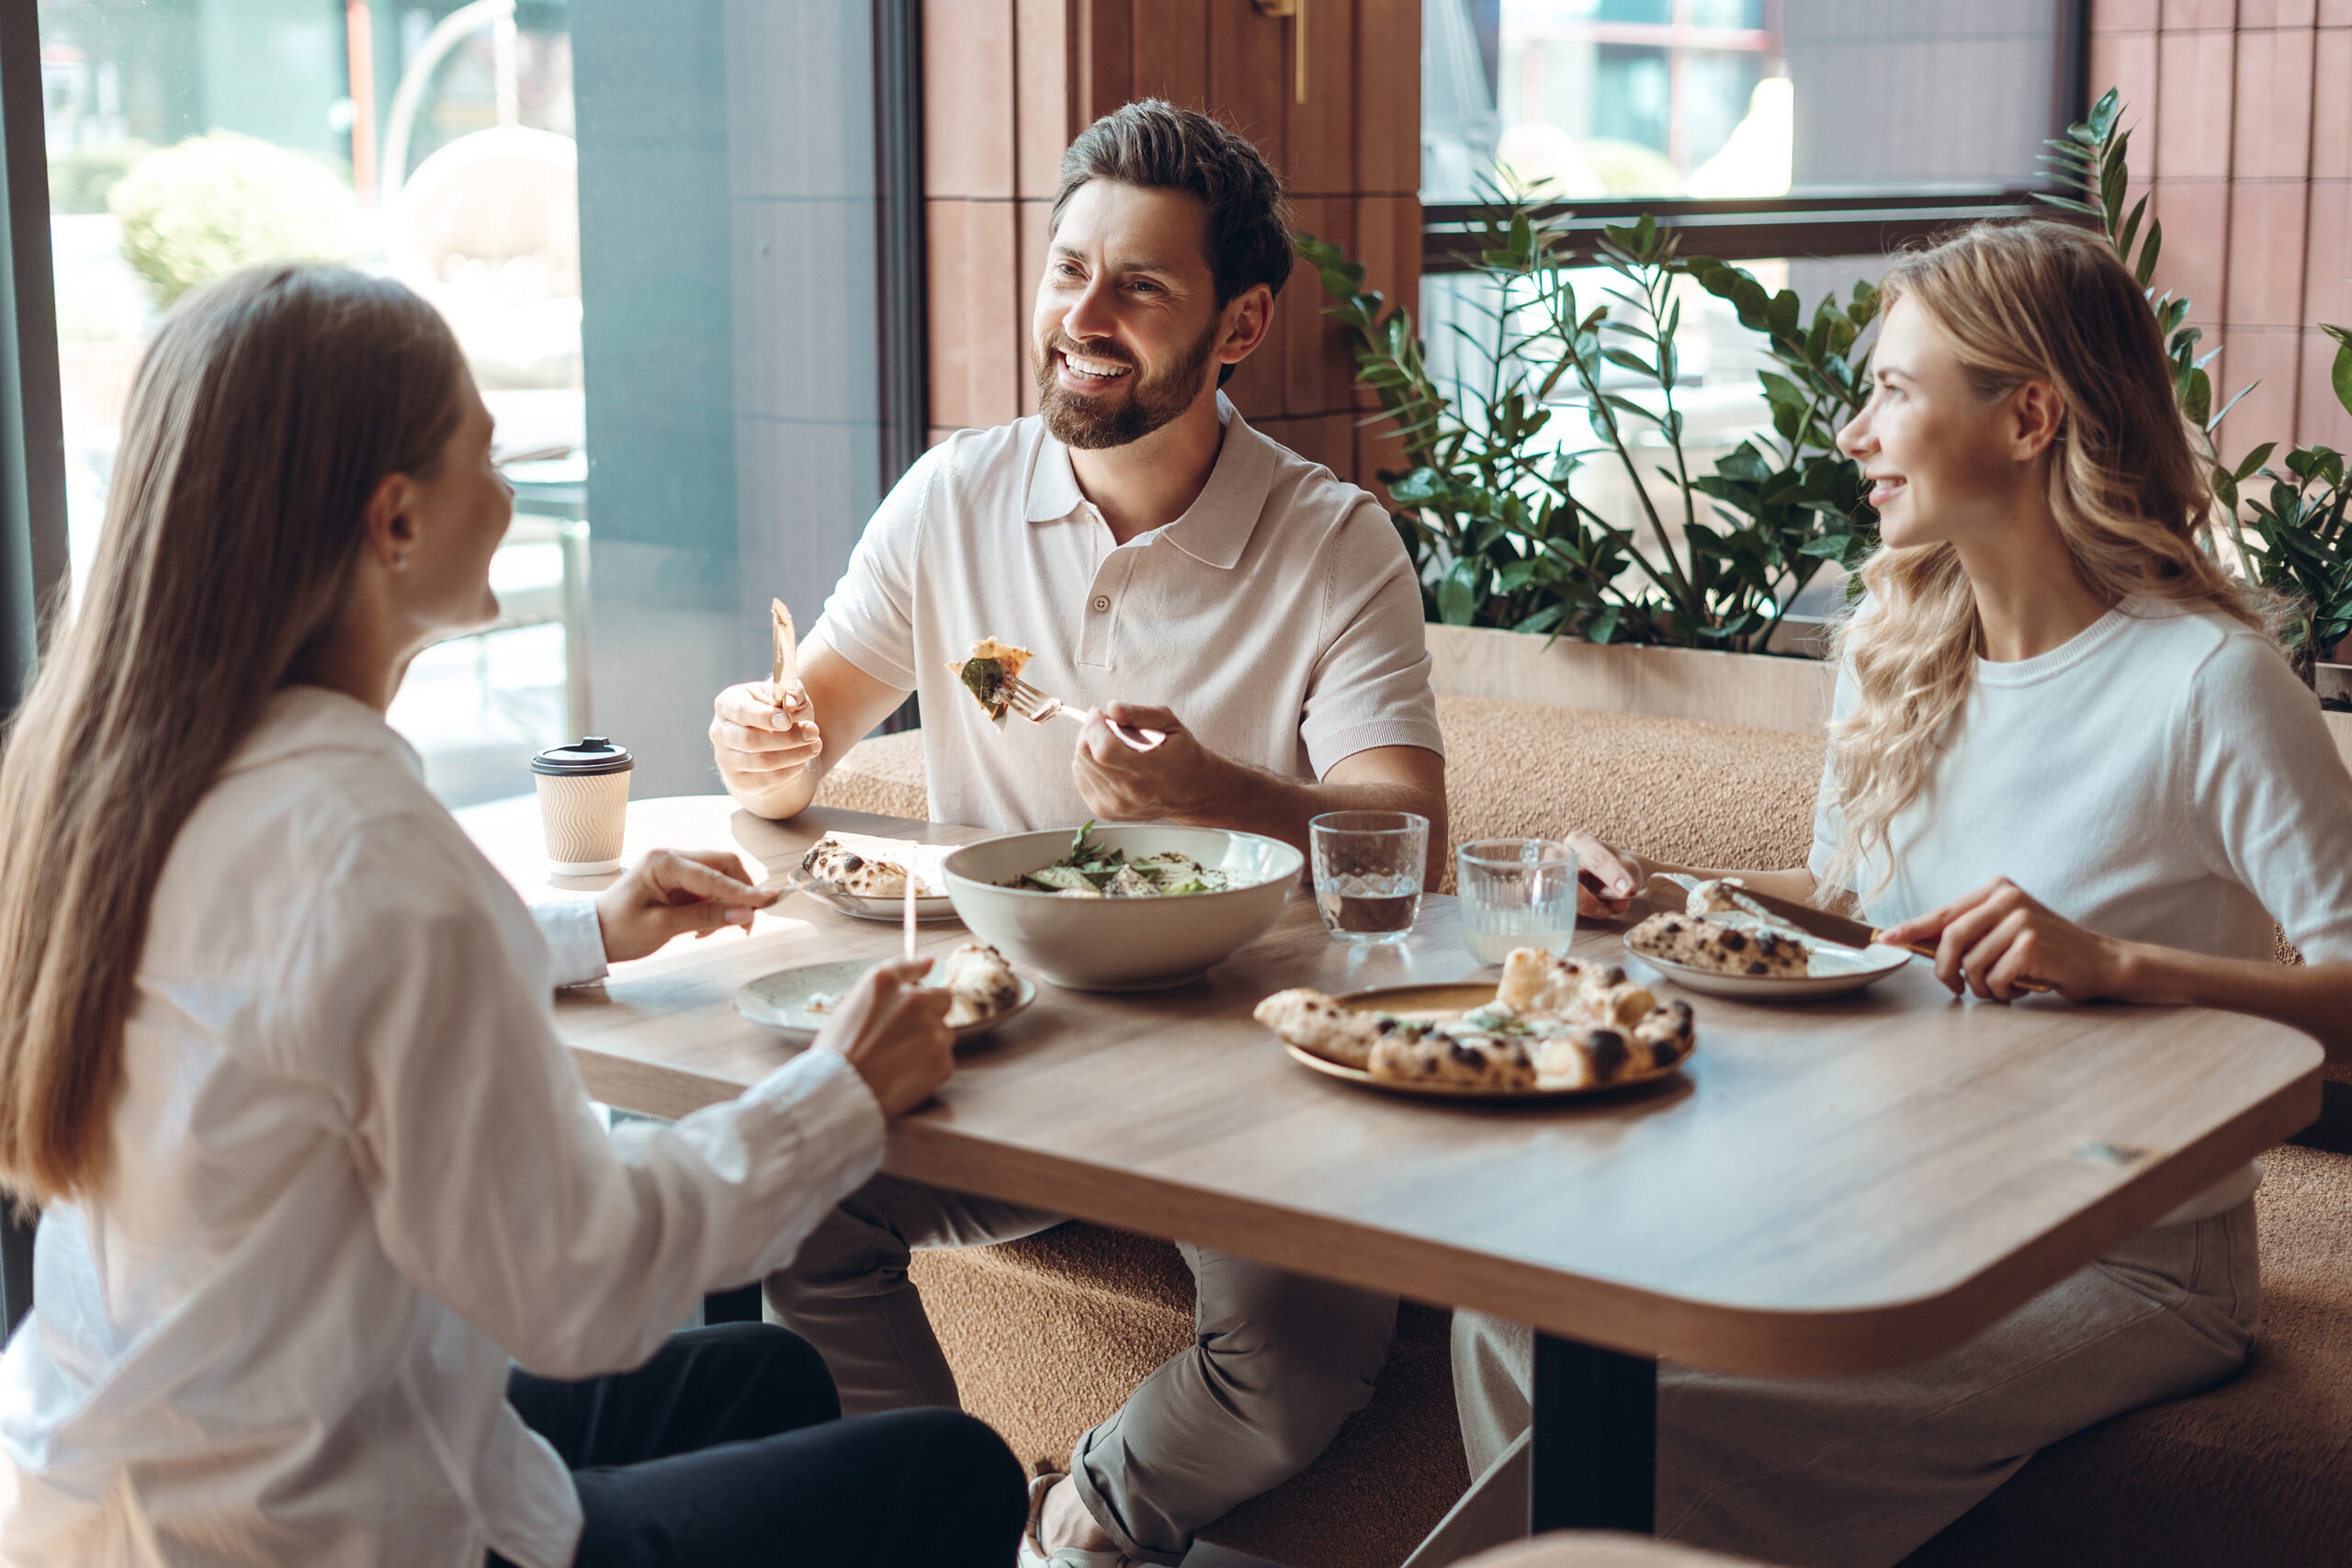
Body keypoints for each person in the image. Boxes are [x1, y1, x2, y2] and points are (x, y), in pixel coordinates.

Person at [0, 264, 1026, 1568]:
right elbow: (578, 1289)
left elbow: (287, 993)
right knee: (953, 1474)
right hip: (313, 1534)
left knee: (770, 1378)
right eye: (484, 453)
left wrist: (585, 934)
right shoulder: (370, 846)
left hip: (116, 1482)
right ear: (395, 521)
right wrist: (838, 1095)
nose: (509, 490)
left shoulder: (129, 778)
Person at [1436, 220, 2352, 1568]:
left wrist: (2117, 966)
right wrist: (1666, 894)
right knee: (1510, 1310)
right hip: (1887, 1196)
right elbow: (1853, 903)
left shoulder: (2208, 684)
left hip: (2125, 1255)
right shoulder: (1895, 640)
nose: (1854, 435)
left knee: (1667, 1432)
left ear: (2029, 417)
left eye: (1892, 392)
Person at [708, 101, 1448, 1567]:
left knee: (1298, 1360)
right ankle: (927, 1530)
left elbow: (1408, 842)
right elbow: (794, 754)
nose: (1083, 318)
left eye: (1139, 286)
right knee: (782, 1196)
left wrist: (1215, 794)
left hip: (1248, 1061)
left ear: (1240, 327)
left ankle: (1078, 1525)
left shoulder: (1332, 540)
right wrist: (763, 745)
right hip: (1003, 1032)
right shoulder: (953, 497)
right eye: (1067, 271)